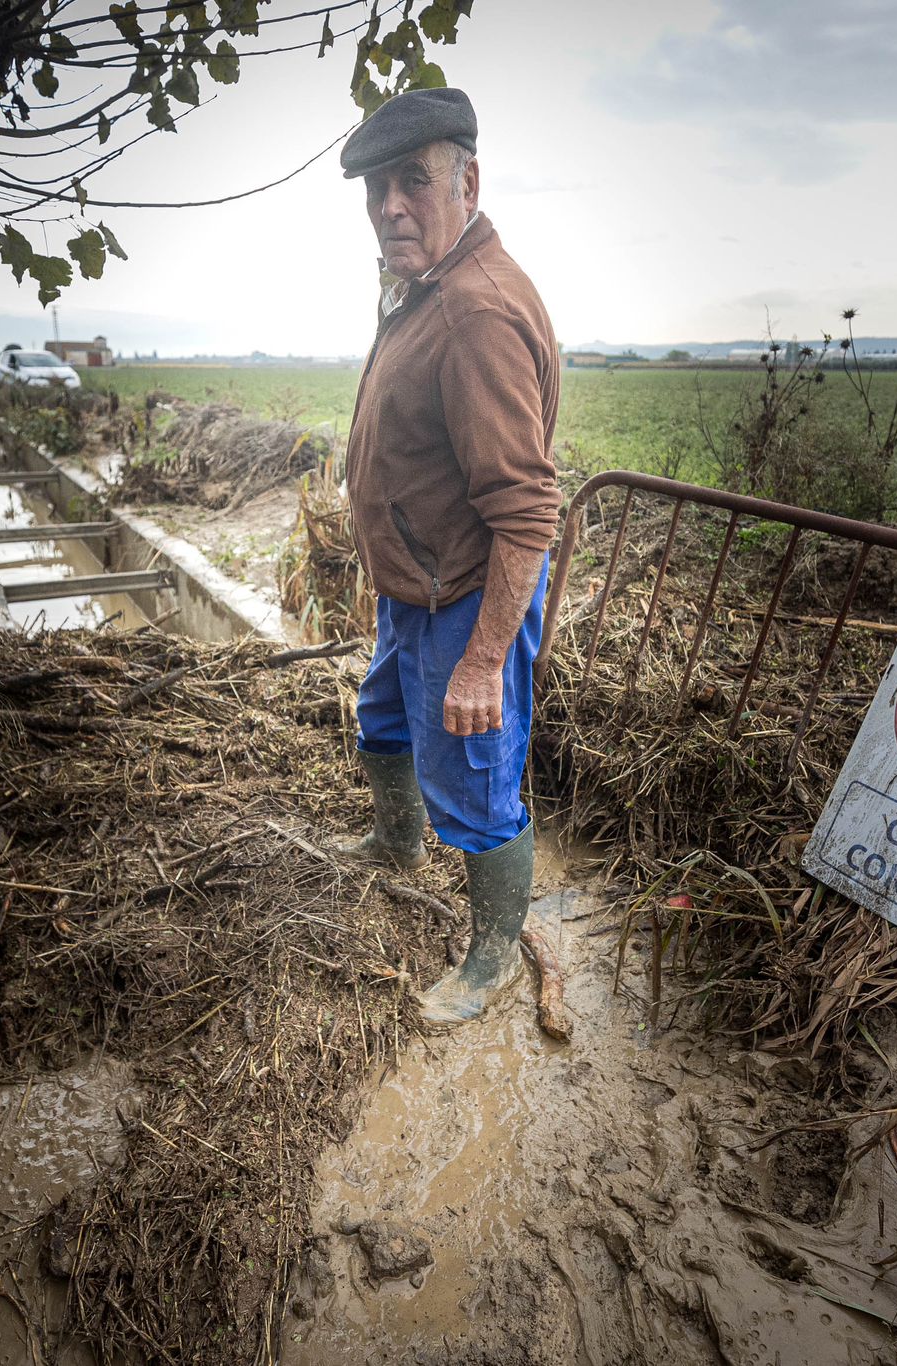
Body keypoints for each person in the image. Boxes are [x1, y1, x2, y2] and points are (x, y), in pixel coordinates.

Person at [332, 87, 562, 1028]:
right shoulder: (426, 286)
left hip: (465, 594)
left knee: (475, 783)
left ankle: (493, 956)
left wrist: (478, 661)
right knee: (383, 721)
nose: (392, 204)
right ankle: (396, 845)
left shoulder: (474, 312)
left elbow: (527, 512)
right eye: (378, 186)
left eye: (413, 182)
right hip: (413, 588)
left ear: (467, 180)